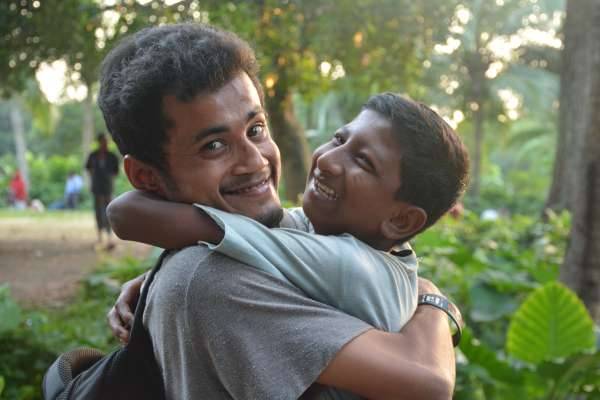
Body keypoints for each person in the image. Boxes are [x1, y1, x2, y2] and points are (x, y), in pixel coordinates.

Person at [99, 23, 458, 399]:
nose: (256, 161)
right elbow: (427, 379)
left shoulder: (292, 234)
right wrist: (433, 300)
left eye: (255, 129)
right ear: (146, 176)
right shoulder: (211, 280)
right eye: (214, 146)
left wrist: (427, 294)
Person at [108, 93, 468, 336]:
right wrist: (151, 277)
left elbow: (125, 213)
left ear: (401, 221)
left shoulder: (351, 267)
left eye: (363, 162)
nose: (327, 160)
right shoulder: (352, 242)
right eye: (340, 139)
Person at [85, 134, 119, 247]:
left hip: (108, 188)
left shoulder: (112, 156)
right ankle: (99, 237)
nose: (105, 143)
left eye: (106, 141)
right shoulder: (93, 155)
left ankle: (109, 238)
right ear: (99, 142)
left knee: (109, 212)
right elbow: (88, 169)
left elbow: (115, 173)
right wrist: (93, 180)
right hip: (97, 188)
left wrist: (110, 183)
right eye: (103, 141)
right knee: (98, 212)